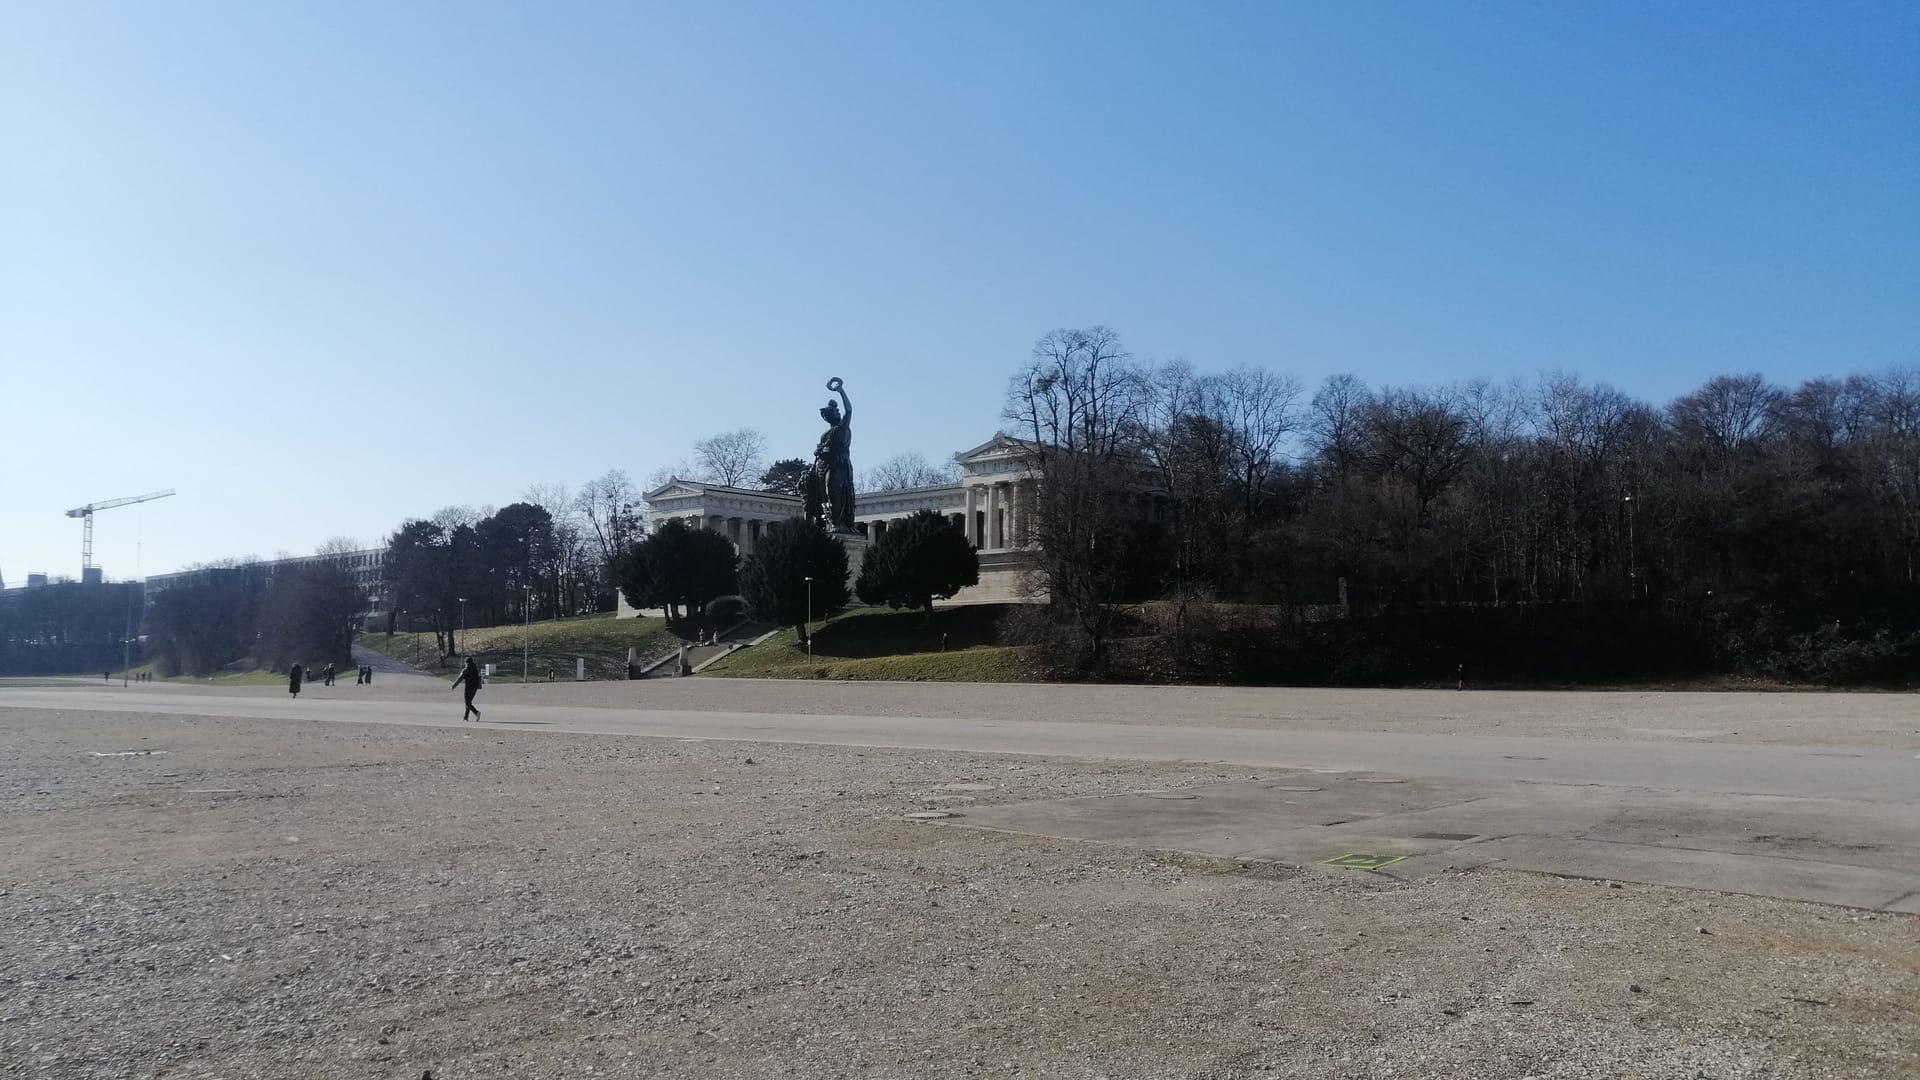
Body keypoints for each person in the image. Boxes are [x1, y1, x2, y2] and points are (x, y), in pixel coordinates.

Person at [452, 657, 483, 721]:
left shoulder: (466, 670)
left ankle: (476, 712)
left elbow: (460, 679)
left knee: (467, 703)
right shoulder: (475, 669)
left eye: (465, 663)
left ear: (467, 663)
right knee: (469, 702)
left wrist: (454, 685)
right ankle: (466, 717)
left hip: (468, 688)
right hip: (475, 688)